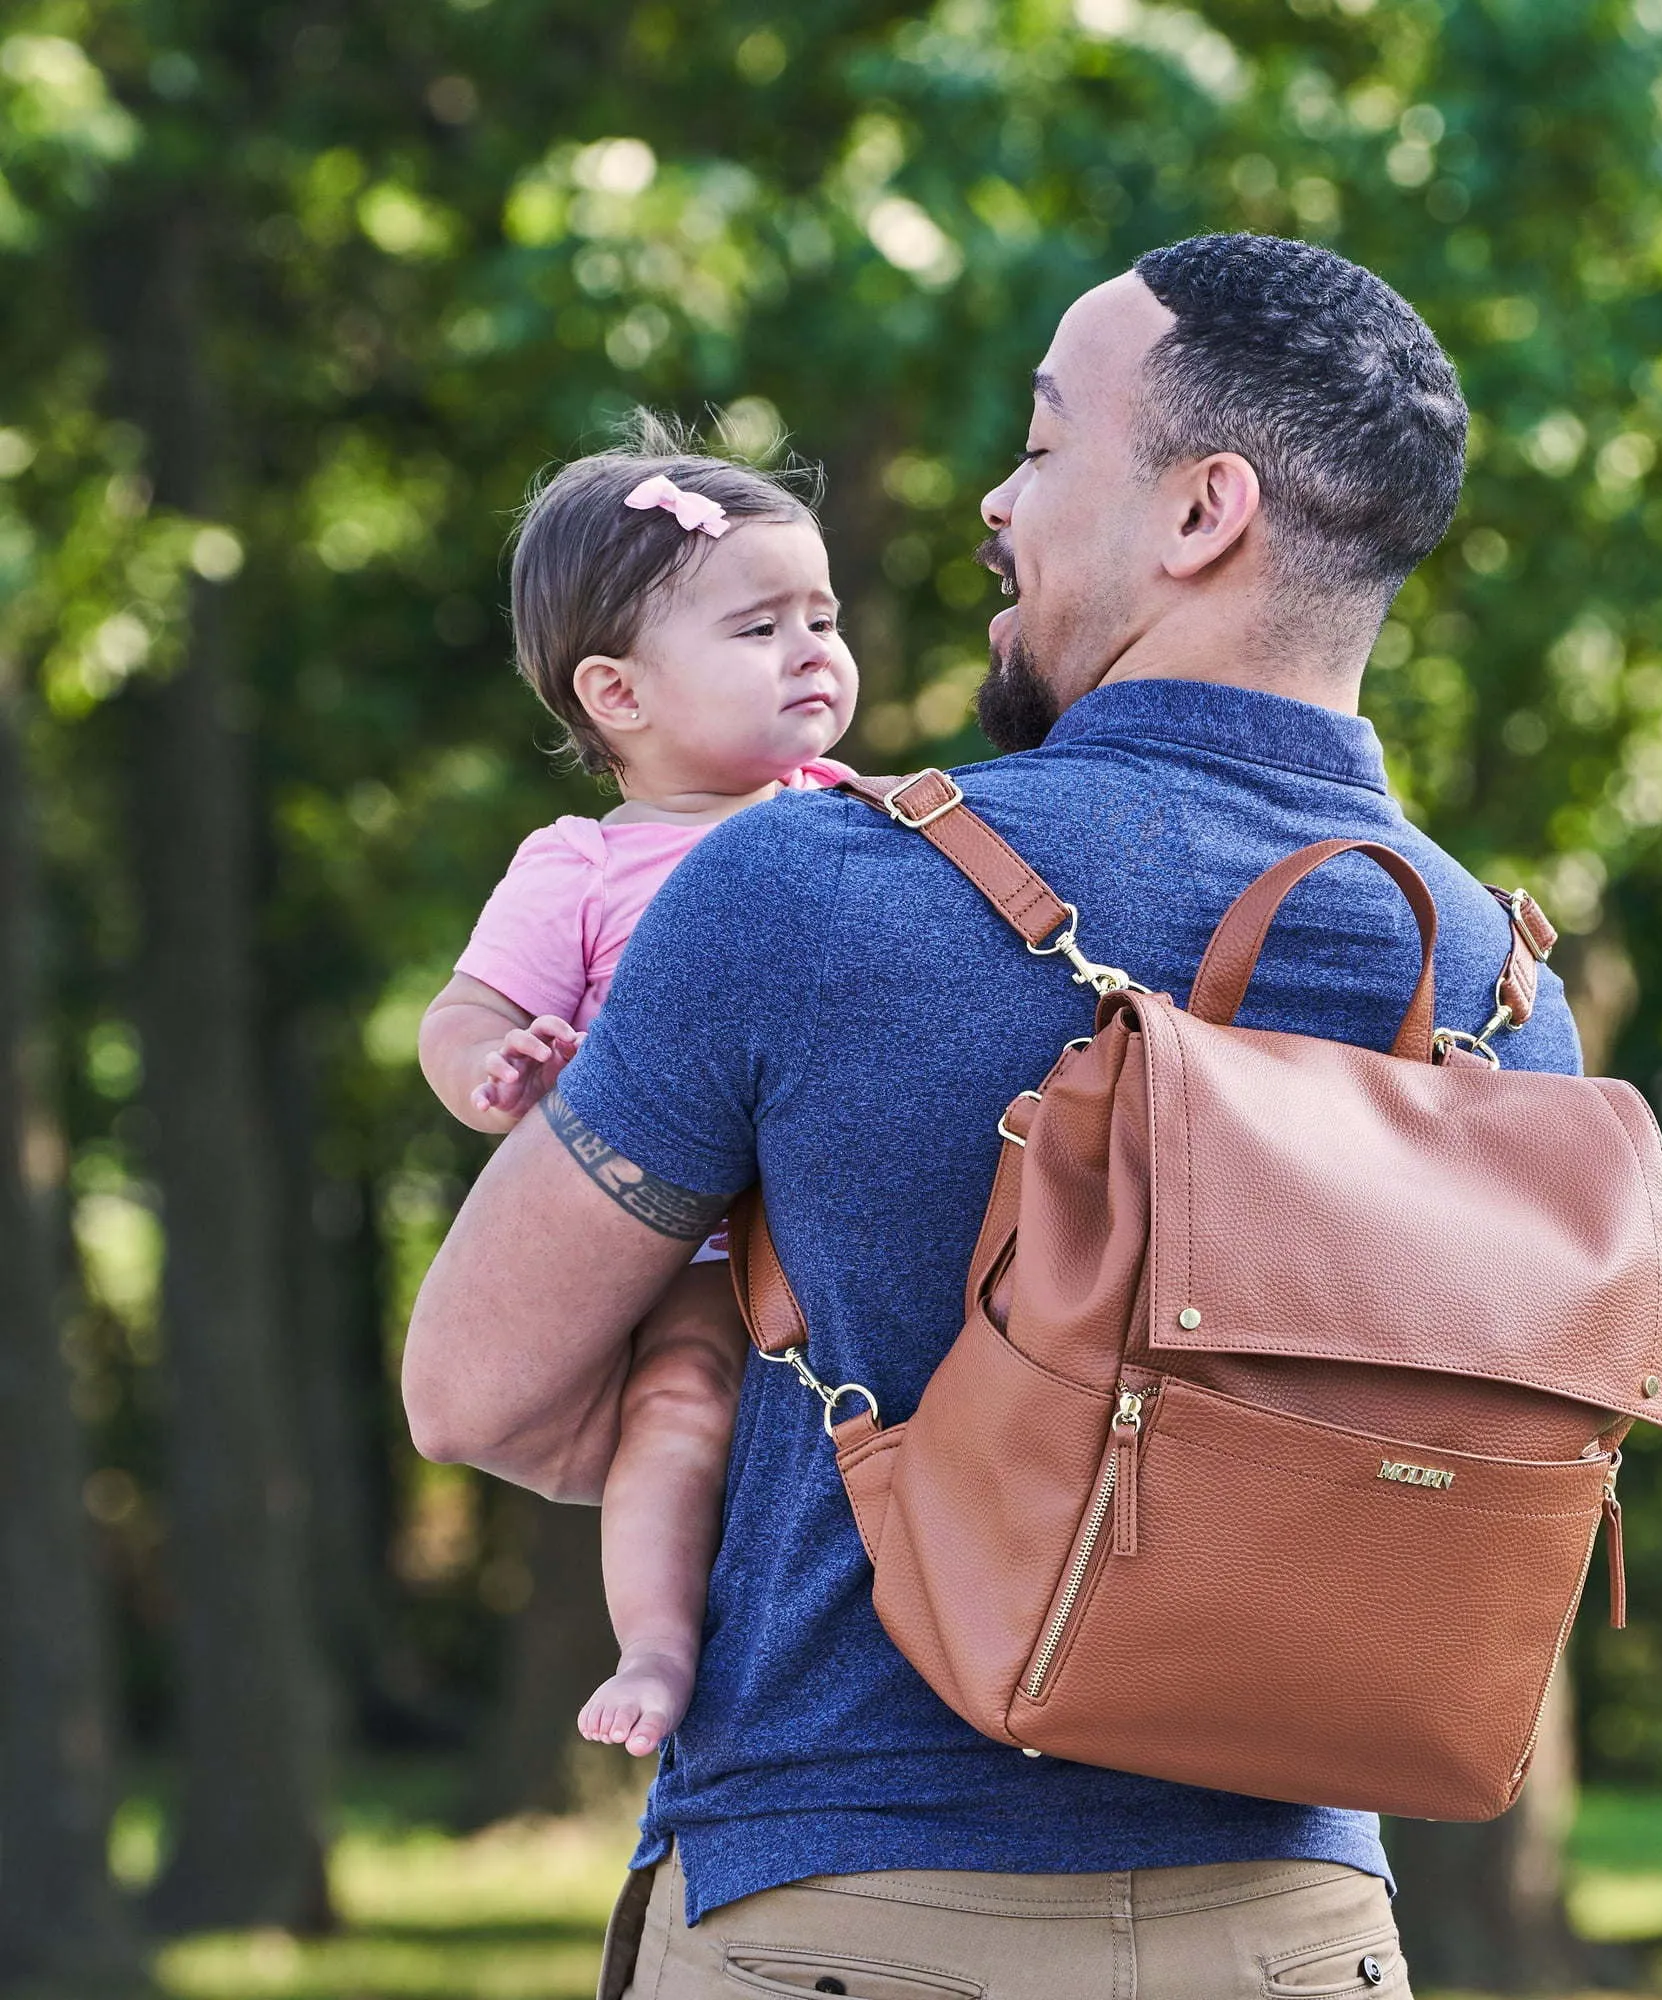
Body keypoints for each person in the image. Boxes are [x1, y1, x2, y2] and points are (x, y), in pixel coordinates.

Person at [404, 233, 1585, 1999]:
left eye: (1041, 448)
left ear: (1202, 514)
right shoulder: (1501, 989)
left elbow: (472, 1388)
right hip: (1308, 1933)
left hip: (847, 1896)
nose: (994, 503)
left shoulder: (802, 884)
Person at [415, 421, 856, 1761]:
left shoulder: (866, 815)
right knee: (677, 1399)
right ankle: (659, 1650)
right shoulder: (582, 866)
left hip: (841, 1220)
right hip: (682, 1239)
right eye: (759, 627)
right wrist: (500, 1076)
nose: (814, 651)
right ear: (618, 694)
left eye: (823, 617)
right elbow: (466, 1012)